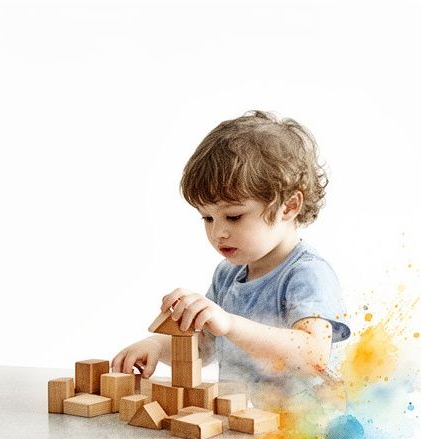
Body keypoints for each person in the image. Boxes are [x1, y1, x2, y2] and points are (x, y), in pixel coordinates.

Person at [112, 111, 350, 405]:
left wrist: (230, 324)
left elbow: (312, 354)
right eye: (207, 218)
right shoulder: (227, 275)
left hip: (302, 436)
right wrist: (155, 346)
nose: (218, 232)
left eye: (234, 216)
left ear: (289, 206)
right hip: (244, 426)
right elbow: (205, 346)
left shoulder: (307, 274)